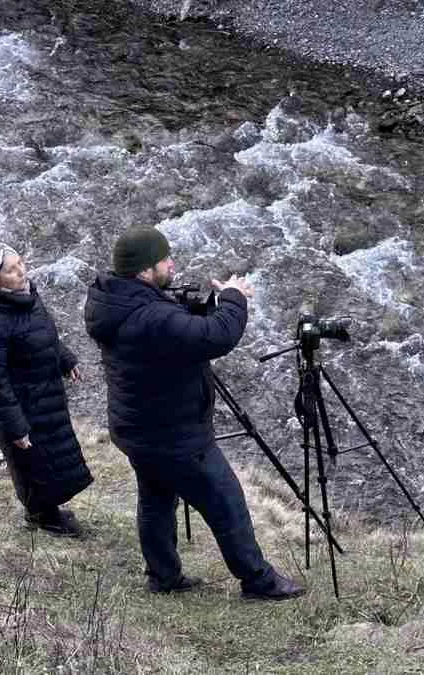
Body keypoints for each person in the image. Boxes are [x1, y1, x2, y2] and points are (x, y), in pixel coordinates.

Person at [83, 226, 304, 599]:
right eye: (164, 259)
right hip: (174, 434)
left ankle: (163, 576)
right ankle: (258, 580)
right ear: (143, 270)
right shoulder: (150, 317)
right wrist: (234, 298)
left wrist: (206, 305)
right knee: (226, 500)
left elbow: (177, 329)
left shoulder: (113, 299)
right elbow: (214, 337)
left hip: (136, 427)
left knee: (156, 498)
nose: (171, 263)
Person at [0, 243, 93, 537]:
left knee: (53, 458)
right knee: (34, 464)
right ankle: (42, 517)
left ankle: (49, 511)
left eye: (21, 263)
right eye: (11, 269)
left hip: (45, 392)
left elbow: (44, 334)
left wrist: (65, 359)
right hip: (21, 404)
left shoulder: (27, 295)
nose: (22, 272)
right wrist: (15, 427)